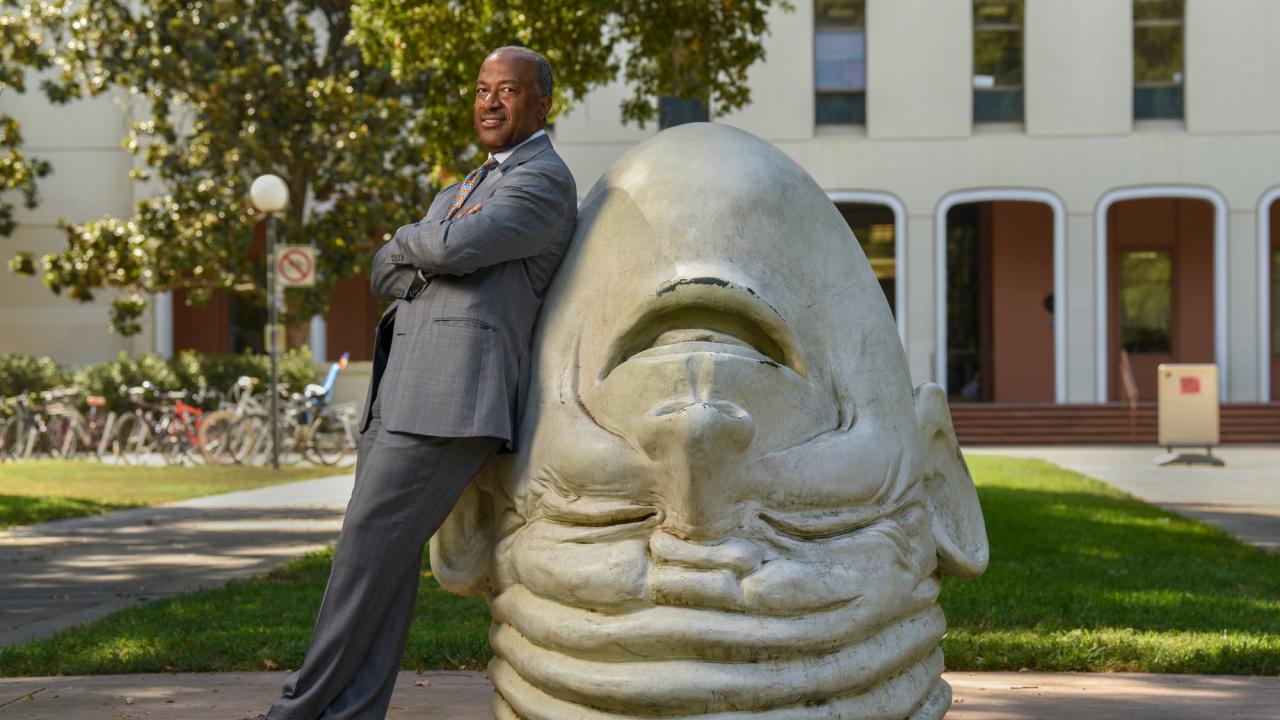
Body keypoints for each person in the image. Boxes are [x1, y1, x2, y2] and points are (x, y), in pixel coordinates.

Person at [254, 45, 578, 720]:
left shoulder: (542, 181)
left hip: (452, 399)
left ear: (542, 103)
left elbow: (450, 250)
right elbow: (386, 276)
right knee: (385, 569)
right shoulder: (466, 184)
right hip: (402, 389)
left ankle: (297, 711)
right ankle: (351, 712)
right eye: (483, 87)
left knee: (360, 565)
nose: (490, 101)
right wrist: (424, 244)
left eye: (508, 90)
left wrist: (415, 239)